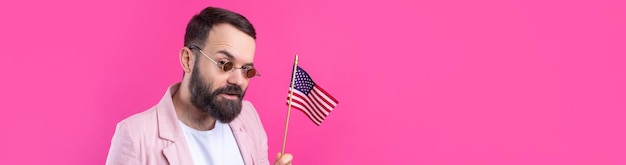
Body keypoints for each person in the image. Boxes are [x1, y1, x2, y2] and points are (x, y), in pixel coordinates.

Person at [105, 6, 293, 165]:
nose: (238, 80)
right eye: (224, 64)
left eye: (246, 69)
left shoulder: (248, 117)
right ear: (188, 60)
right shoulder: (135, 137)